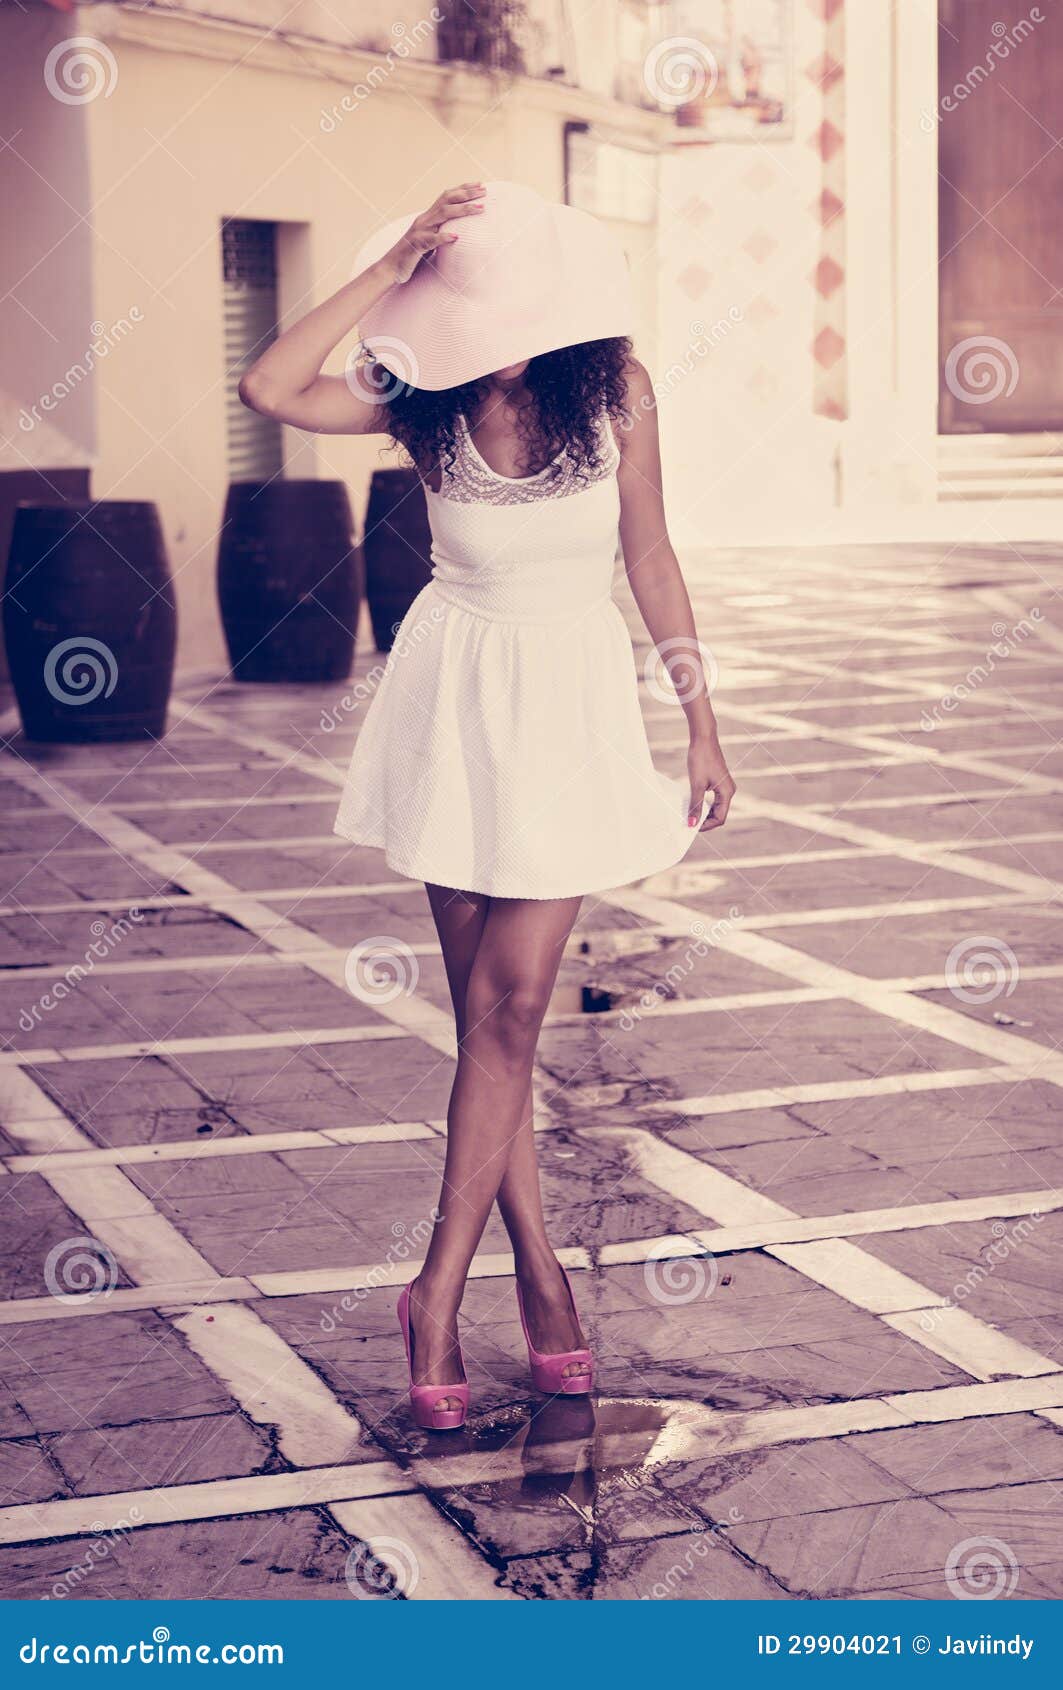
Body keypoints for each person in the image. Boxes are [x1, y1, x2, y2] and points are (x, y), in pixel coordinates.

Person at [239, 179, 735, 1431]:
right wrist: (386, 265)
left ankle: (437, 1294)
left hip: (566, 702)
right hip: (453, 704)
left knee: (512, 1005)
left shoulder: (616, 392)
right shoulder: (423, 397)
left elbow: (651, 555)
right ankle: (543, 1280)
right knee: (487, 1023)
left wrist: (699, 718)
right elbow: (270, 389)